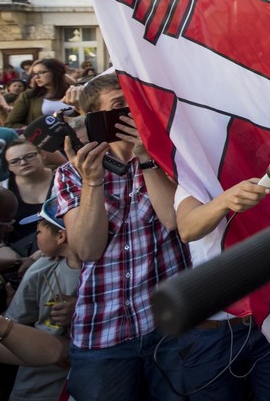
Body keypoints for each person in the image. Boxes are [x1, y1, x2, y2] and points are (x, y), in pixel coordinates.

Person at [54, 73, 190, 401]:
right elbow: (87, 248)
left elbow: (173, 222)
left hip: (167, 328)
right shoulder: (72, 172)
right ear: (98, 118)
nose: (131, 110)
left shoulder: (168, 158)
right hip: (103, 334)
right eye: (119, 105)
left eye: (134, 102)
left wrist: (145, 158)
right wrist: (93, 182)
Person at [173, 182, 270, 400]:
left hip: (267, 323)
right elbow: (187, 228)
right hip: (211, 332)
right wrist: (224, 201)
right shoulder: (198, 170)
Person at [5, 198, 79, 401]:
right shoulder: (40, 270)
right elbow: (14, 325)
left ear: (61, 236)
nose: (35, 237)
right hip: (36, 383)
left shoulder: (100, 273)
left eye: (38, 232)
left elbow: (9, 325)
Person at [1, 140, 55, 257]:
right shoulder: (2, 191)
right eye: (15, 161)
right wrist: (0, 249)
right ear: (9, 167)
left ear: (42, 155)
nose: (23, 163)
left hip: (61, 248)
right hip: (19, 255)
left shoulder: (63, 179)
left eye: (29, 156)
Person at [4, 60, 72, 129]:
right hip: (43, 138)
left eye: (41, 72)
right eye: (34, 74)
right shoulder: (29, 95)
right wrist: (30, 130)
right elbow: (10, 123)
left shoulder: (73, 92)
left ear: (56, 72)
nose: (36, 77)